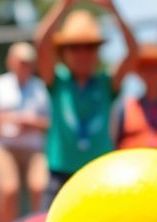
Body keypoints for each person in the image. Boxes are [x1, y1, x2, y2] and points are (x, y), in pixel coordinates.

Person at [35, 0, 138, 206]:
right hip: (60, 175)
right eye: (74, 47)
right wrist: (63, 6)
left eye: (90, 47)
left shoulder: (106, 84)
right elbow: (41, 44)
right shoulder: (58, 82)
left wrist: (113, 10)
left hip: (99, 175)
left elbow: (133, 52)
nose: (83, 54)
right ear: (64, 52)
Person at [0, 42, 51, 222]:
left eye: (29, 62)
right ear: (11, 61)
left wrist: (30, 122)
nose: (25, 66)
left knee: (39, 187)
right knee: (9, 190)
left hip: (33, 149)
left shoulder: (40, 88)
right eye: (21, 61)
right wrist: (11, 119)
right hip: (4, 147)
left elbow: (48, 123)